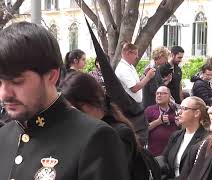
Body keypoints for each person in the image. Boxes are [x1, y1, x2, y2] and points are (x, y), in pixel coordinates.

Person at [0, 22, 129, 180]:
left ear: (52, 76)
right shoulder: (3, 136)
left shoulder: (95, 139)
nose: (4, 94)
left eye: (17, 81)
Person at [157, 96, 209, 179]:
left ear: (196, 113)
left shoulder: (206, 139)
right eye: (179, 108)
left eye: (184, 109)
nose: (179, 112)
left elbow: (196, 172)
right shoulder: (176, 135)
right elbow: (163, 159)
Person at [145, 86, 178, 156]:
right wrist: (158, 121)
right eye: (157, 93)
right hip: (155, 152)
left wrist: (172, 118)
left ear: (169, 96)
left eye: (163, 93)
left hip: (173, 151)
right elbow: (143, 129)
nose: (159, 95)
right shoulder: (150, 110)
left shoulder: (176, 110)